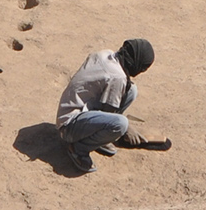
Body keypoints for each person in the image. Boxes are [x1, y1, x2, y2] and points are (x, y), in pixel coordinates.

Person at [55, 38, 169, 174]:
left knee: (131, 90)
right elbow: (112, 114)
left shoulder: (106, 54)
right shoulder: (118, 77)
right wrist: (127, 129)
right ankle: (78, 149)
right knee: (120, 124)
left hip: (73, 111)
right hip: (68, 127)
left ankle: (99, 138)